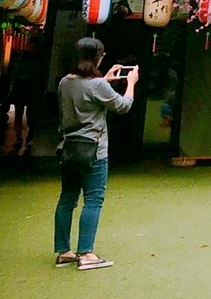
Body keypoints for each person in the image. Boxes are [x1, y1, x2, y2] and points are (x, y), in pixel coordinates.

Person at [54, 37, 137, 270]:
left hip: (69, 147)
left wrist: (105, 79)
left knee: (67, 198)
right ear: (98, 57)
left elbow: (87, 89)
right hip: (94, 149)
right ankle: (86, 253)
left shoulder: (65, 82)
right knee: (93, 199)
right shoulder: (97, 85)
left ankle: (63, 251)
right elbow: (123, 105)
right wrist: (131, 83)